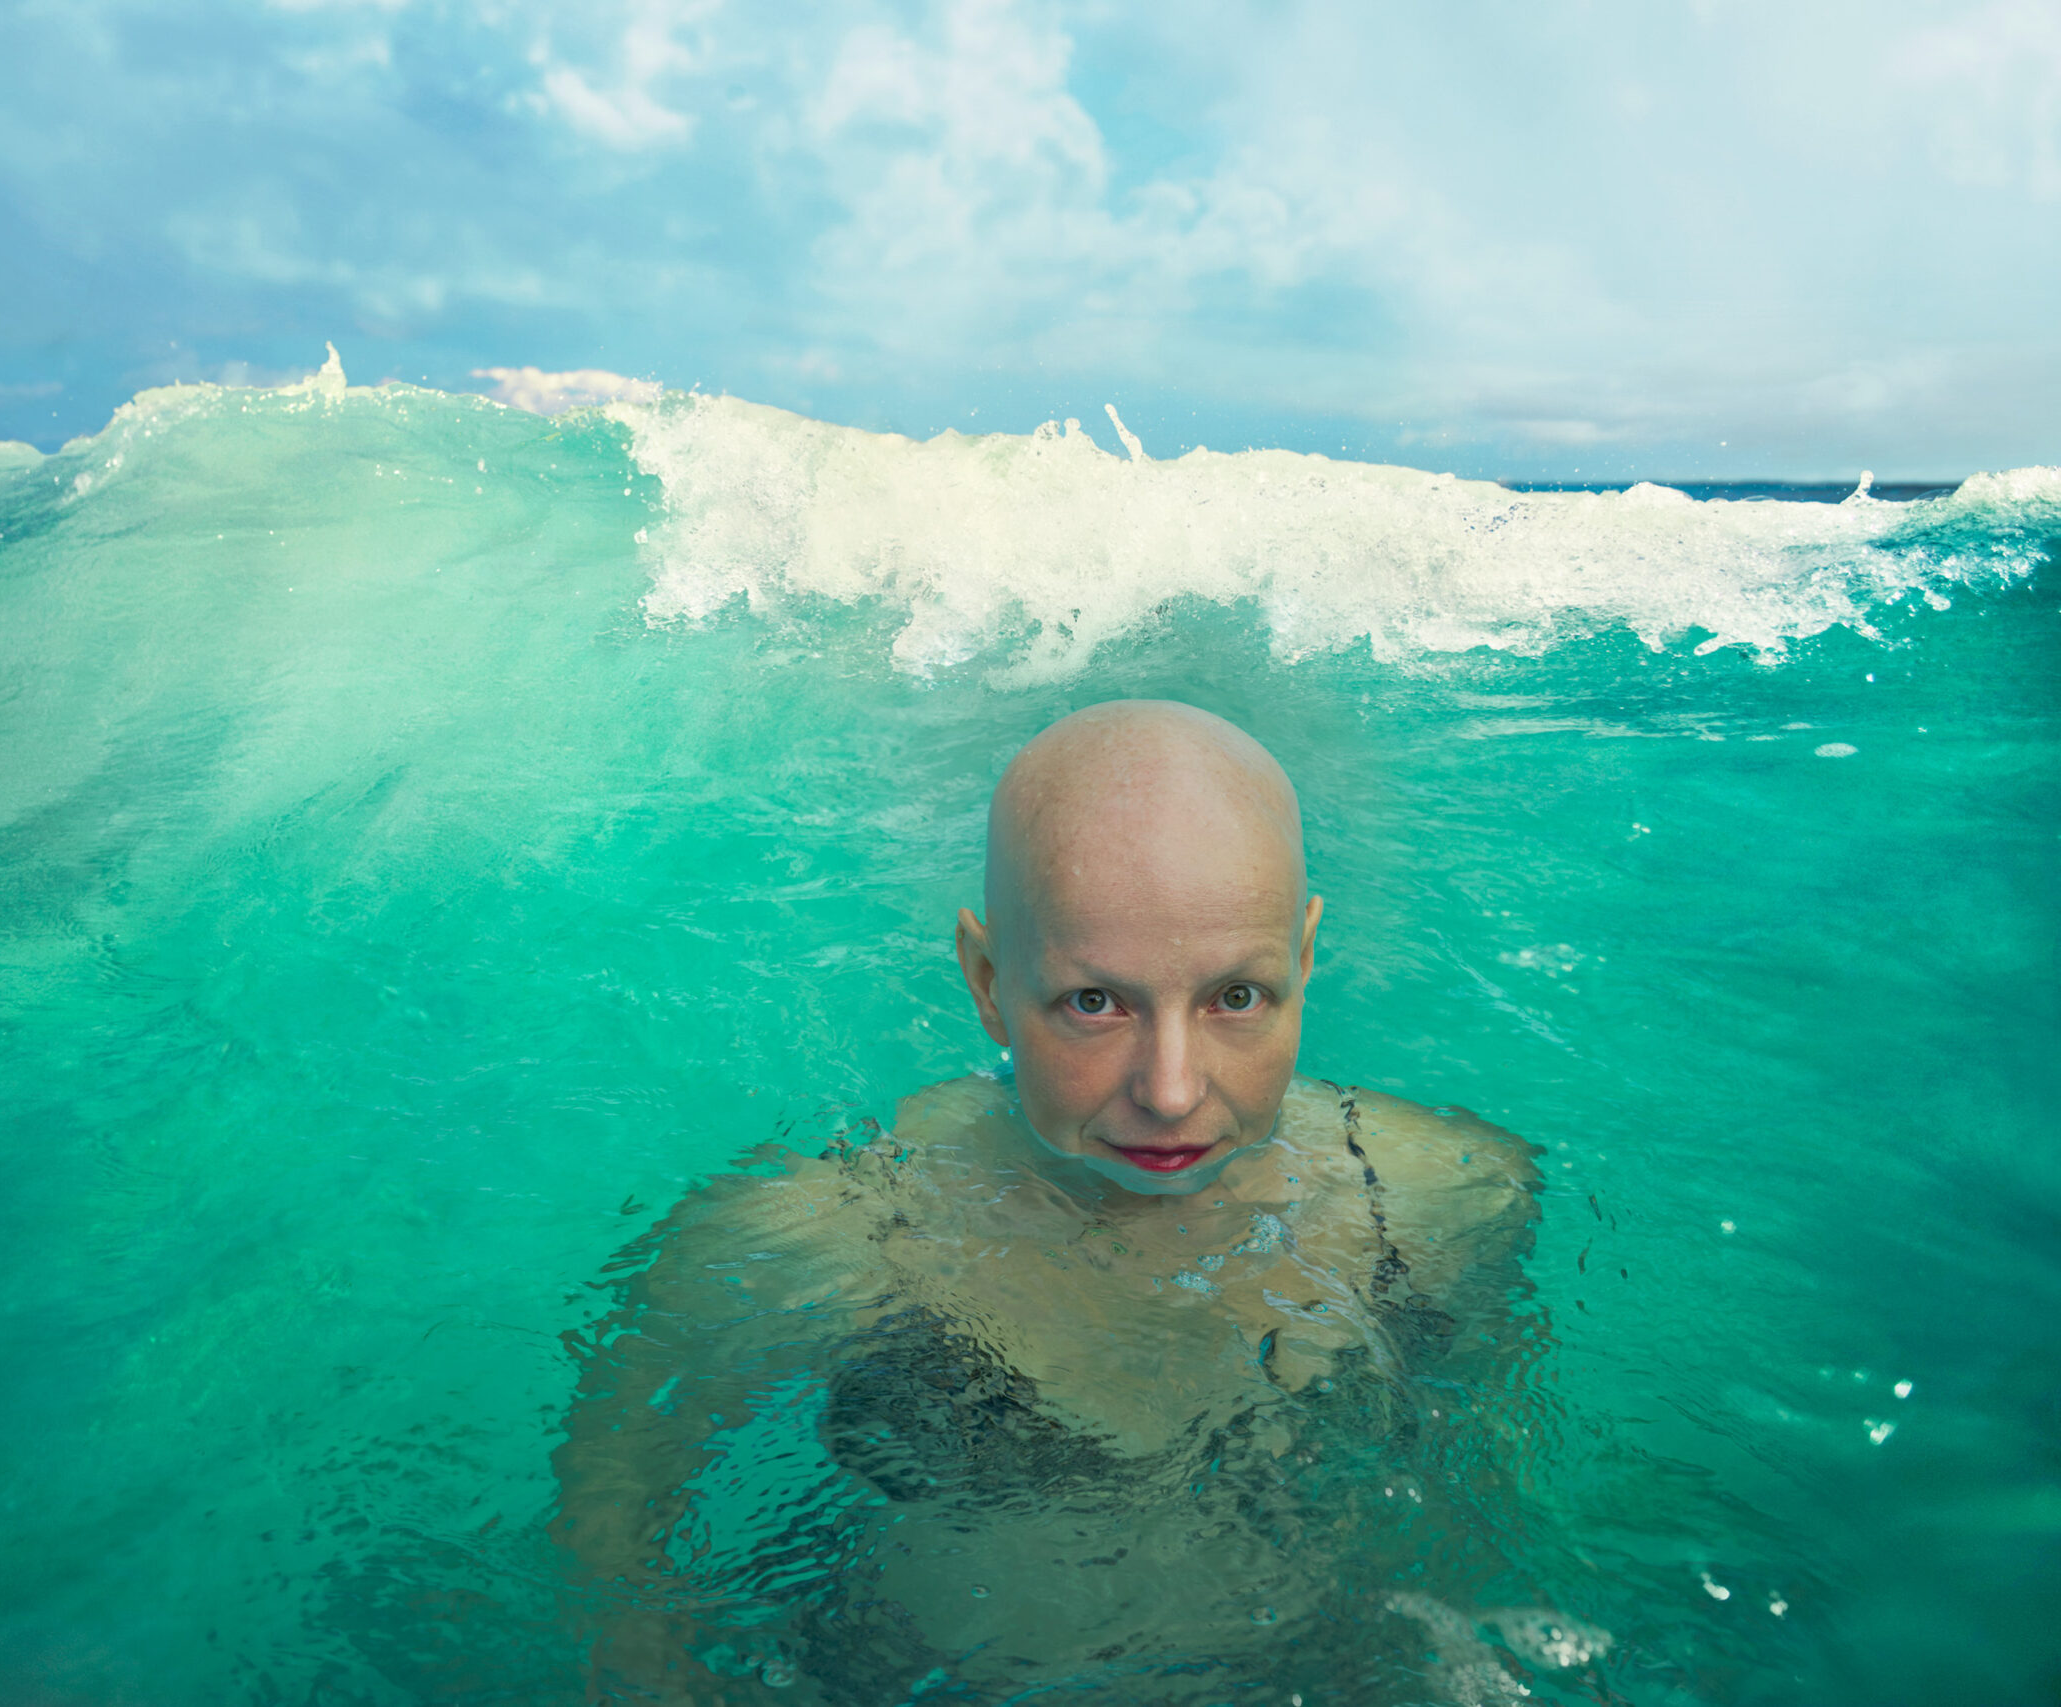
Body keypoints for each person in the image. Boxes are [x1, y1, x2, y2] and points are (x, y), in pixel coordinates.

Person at [551, 701, 1545, 1704]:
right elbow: (610, 1583)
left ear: (1303, 957)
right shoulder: (822, 1236)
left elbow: (1481, 1518)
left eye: (1235, 998)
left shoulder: (1438, 1202)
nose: (1169, 1091)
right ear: (987, 981)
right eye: (1093, 1003)